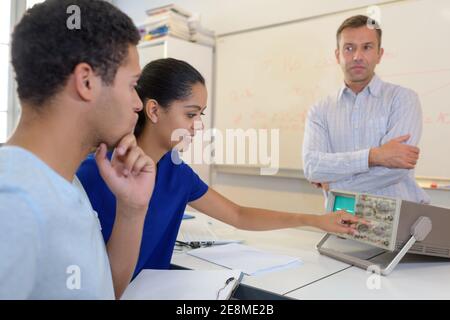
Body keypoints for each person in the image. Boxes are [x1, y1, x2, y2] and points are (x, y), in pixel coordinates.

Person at [77, 58, 365, 278]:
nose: (197, 125)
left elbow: (238, 215)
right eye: (190, 114)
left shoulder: (177, 172)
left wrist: (316, 220)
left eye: (200, 115)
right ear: (153, 110)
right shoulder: (93, 173)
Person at [0, 0, 156, 299]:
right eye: (132, 85)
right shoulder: (13, 204)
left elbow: (99, 290)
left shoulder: (65, 181)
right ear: (86, 82)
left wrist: (132, 211)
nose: (138, 104)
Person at [302, 15, 430, 204]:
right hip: (341, 221)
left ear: (379, 54)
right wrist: (375, 156)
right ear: (337, 55)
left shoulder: (403, 99)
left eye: (367, 47)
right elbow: (313, 167)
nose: (357, 56)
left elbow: (395, 169)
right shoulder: (320, 110)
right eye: (349, 48)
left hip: (399, 223)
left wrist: (334, 187)